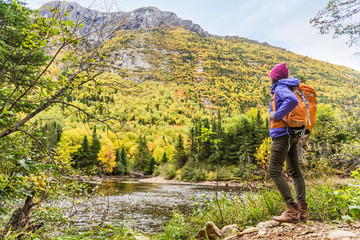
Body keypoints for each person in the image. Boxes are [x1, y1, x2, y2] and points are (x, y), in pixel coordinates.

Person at [268, 62, 308, 223]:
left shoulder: (280, 87)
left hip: (282, 134)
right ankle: (302, 211)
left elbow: (291, 101)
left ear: (274, 77)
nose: (269, 79)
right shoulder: (292, 87)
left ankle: (291, 210)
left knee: (274, 170)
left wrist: (276, 115)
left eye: (270, 76)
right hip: (293, 133)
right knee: (294, 170)